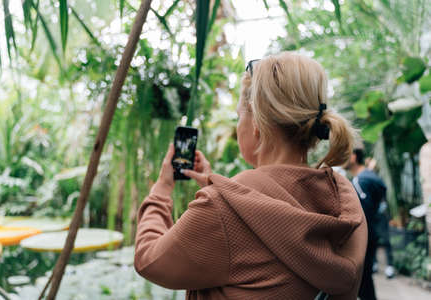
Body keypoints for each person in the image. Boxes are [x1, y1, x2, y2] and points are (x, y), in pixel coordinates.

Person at [134, 53, 368, 299]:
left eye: (239, 115)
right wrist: (217, 184)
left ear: (257, 122)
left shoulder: (222, 209)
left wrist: (161, 189)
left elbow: (149, 259)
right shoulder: (344, 200)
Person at [345, 149, 387, 300]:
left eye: (346, 153)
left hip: (364, 236)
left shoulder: (360, 181)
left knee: (363, 282)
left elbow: (362, 214)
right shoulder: (371, 177)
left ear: (354, 157)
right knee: (366, 279)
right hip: (373, 232)